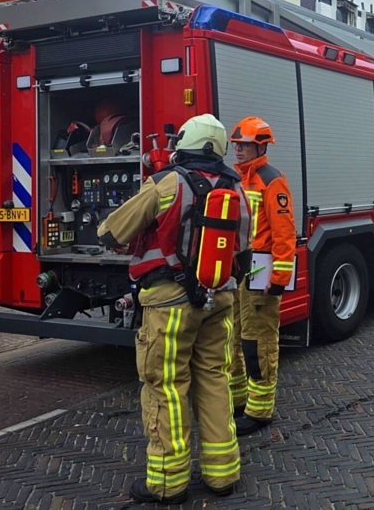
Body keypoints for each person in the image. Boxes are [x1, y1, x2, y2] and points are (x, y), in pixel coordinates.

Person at [96, 114, 253, 504]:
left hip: (169, 303)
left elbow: (113, 232)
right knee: (214, 378)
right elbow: (244, 247)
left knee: (166, 386)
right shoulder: (237, 188)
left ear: (184, 144)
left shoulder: (167, 183)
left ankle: (167, 481)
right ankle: (222, 474)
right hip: (220, 299)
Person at [228, 117, 297, 435]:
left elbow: (284, 233)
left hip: (260, 273)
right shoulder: (236, 180)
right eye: (236, 144)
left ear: (260, 145)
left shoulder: (272, 180)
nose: (238, 149)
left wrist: (280, 277)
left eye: (243, 145)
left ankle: (259, 411)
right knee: (235, 339)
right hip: (239, 271)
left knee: (259, 342)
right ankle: (238, 400)